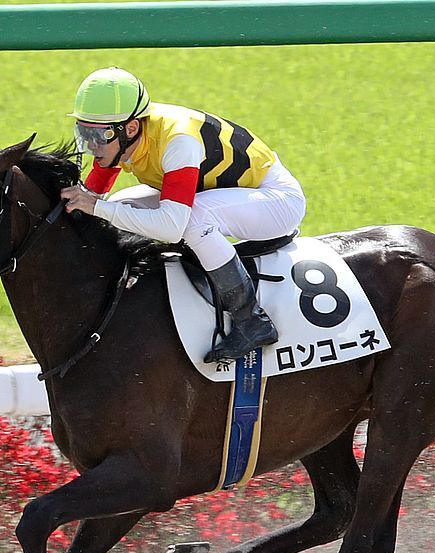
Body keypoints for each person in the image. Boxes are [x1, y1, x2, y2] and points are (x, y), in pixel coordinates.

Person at [60, 67, 306, 363]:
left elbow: (171, 226)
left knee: (191, 219)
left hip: (277, 201)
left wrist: (97, 208)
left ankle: (251, 321)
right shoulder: (120, 140)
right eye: (85, 132)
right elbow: (91, 195)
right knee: (122, 204)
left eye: (99, 135)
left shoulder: (178, 140)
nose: (91, 145)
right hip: (226, 194)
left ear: (131, 128)